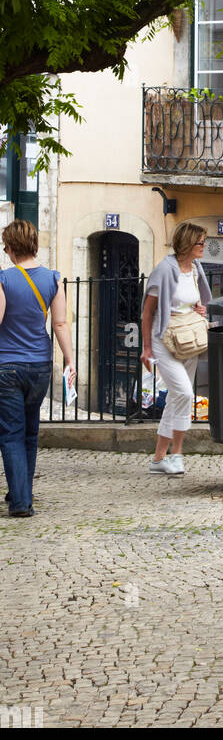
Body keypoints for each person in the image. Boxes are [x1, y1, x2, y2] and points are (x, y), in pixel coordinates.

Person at [0, 219, 75, 517]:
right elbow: (59, 323)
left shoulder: (4, 279)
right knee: (30, 433)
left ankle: (20, 501)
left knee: (11, 434)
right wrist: (69, 360)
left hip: (7, 367)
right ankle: (22, 492)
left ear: (11, 247)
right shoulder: (53, 279)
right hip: (40, 366)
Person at [140, 222, 212, 475]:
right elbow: (147, 312)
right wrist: (146, 348)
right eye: (201, 242)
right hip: (164, 339)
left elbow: (194, 301)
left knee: (177, 398)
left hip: (188, 338)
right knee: (184, 393)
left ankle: (163, 458)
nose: (204, 247)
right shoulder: (164, 270)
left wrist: (200, 309)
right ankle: (172, 455)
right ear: (187, 244)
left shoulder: (194, 269)